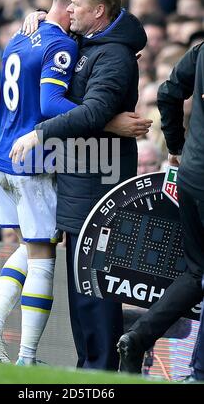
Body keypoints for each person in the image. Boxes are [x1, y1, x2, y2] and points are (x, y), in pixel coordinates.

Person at [10, 0, 148, 370]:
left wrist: (41, 133)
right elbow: (98, 113)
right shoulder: (93, 44)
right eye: (66, 3)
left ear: (99, 12)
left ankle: (101, 370)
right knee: (80, 284)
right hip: (81, 176)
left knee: (95, 284)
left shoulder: (114, 57)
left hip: (99, 179)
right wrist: (40, 15)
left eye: (76, 4)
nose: (68, 9)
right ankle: (87, 364)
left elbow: (94, 112)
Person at [0, 0, 88, 366]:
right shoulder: (60, 44)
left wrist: (37, 13)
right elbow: (50, 105)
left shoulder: (22, 33)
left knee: (31, 243)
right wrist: (105, 119)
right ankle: (26, 357)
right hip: (31, 160)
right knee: (43, 253)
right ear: (70, 3)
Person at [117, 42, 204, 376]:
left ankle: (138, 338)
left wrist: (177, 145)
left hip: (192, 176)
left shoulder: (200, 51)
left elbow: (168, 92)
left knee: (197, 272)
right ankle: (199, 372)